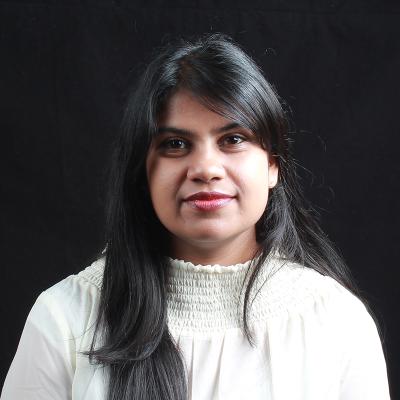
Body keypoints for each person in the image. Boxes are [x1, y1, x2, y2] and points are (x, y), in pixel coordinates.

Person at [1, 33, 390, 400]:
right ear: (143, 171)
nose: (205, 168)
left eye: (233, 140)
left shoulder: (337, 322)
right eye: (175, 144)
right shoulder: (66, 317)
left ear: (273, 165)